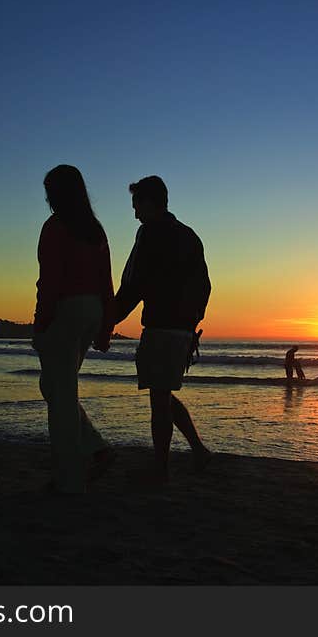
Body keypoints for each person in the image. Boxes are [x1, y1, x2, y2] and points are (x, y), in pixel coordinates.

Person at [113, 175, 212, 484]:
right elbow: (205, 286)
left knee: (159, 398)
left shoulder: (149, 234)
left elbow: (133, 284)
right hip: (183, 330)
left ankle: (161, 469)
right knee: (163, 392)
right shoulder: (190, 236)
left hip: (161, 327)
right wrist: (193, 321)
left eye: (136, 205)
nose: (135, 214)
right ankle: (198, 451)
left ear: (149, 202)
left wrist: (108, 320)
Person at [32, 164, 116, 495]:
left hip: (66, 310)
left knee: (61, 393)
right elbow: (106, 282)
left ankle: (70, 477)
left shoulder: (55, 227)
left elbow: (50, 281)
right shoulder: (94, 230)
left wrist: (41, 322)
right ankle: (96, 448)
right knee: (54, 386)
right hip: (91, 310)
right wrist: (105, 325)